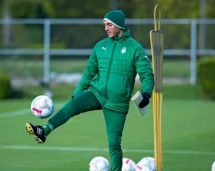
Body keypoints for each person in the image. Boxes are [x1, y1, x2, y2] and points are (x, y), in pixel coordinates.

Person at [25, 9, 154, 171]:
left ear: (119, 25)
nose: (106, 28)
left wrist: (146, 92)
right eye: (104, 25)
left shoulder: (135, 49)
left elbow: (147, 74)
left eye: (109, 25)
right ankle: (44, 131)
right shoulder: (100, 46)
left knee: (114, 144)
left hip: (117, 102)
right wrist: (77, 93)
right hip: (96, 93)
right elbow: (88, 73)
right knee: (72, 105)